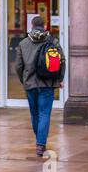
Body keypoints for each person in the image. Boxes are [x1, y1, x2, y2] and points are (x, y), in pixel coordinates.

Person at [15, 16, 66, 157]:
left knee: (35, 114)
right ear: (45, 26)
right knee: (44, 114)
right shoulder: (53, 41)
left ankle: (40, 141)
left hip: (30, 85)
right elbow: (62, 61)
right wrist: (59, 79)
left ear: (31, 25)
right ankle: (40, 143)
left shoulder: (23, 43)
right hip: (47, 84)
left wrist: (23, 80)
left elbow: (18, 66)